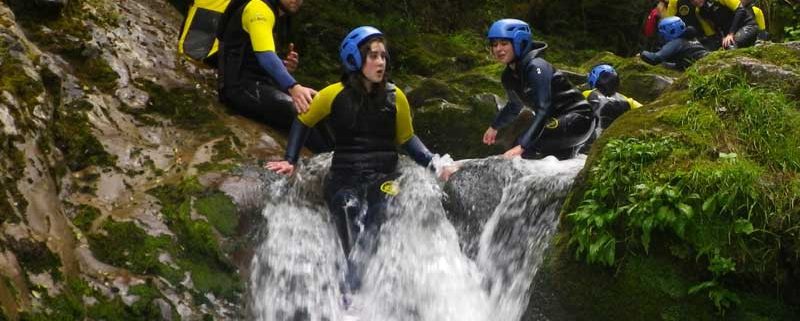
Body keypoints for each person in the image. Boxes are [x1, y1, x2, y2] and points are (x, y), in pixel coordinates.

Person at [266, 26, 452, 259]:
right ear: (355, 58)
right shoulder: (332, 94)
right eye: (373, 56)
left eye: (383, 56)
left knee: (383, 210)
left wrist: (435, 163)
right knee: (346, 208)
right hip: (345, 177)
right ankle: (352, 282)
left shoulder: (396, 97)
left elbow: (407, 138)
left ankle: (372, 275)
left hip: (384, 177)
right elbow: (304, 121)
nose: (381, 62)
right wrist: (289, 160)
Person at [217, 0, 333, 152]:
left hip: (261, 84)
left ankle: (338, 156)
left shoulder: (279, 15)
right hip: (238, 88)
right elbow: (265, 55)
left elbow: (258, 56)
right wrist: (293, 86)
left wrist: (284, 68)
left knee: (318, 106)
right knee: (300, 110)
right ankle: (330, 163)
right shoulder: (258, 8)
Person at [481, 19, 596, 160]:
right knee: (532, 152)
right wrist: (494, 127)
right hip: (557, 122)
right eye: (494, 44)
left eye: (504, 43)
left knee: (524, 147)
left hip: (579, 119)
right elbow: (514, 106)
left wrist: (523, 145)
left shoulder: (536, 67)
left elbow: (543, 108)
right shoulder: (508, 76)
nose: (498, 49)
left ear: (519, 42)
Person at [583, 64, 643, 136]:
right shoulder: (629, 101)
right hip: (613, 139)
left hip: (588, 137)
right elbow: (647, 110)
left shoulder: (587, 94)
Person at [639, 16, 710, 70]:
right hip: (708, 59)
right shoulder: (693, 38)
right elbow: (682, 63)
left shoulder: (675, 43)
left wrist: (641, 53)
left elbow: (654, 59)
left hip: (701, 66)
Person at [690, 0, 760, 49]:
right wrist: (722, 38)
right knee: (712, 48)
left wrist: (731, 33)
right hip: (728, 35)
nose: (696, 1)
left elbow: (740, 10)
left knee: (730, 45)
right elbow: (711, 33)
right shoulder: (699, 12)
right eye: (692, 0)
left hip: (747, 25)